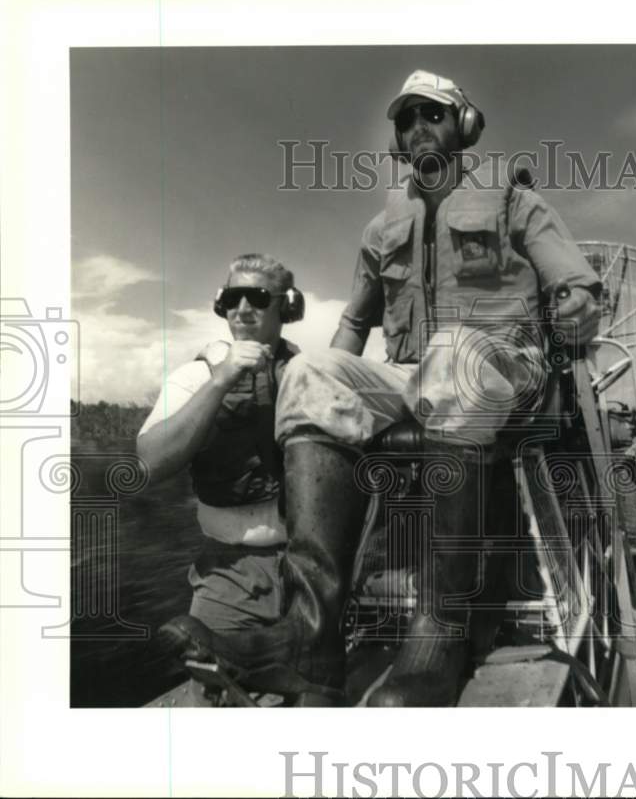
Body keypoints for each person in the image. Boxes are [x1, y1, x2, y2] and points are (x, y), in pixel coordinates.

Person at [161, 69, 602, 707]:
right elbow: (352, 325)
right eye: (406, 119)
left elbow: (575, 283)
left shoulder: (514, 201)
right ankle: (312, 648)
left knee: (455, 352)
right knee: (312, 373)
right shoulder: (380, 230)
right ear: (396, 140)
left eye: (433, 114)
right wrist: (312, 409)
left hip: (507, 368)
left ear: (464, 126)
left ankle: (440, 633)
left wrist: (576, 304)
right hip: (413, 374)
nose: (418, 127)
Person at [139, 254, 304, 634]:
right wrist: (221, 381)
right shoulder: (196, 375)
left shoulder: (312, 373)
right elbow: (149, 464)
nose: (243, 309)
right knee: (214, 679)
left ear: (287, 305)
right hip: (228, 573)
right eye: (233, 298)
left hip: (314, 562)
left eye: (258, 297)